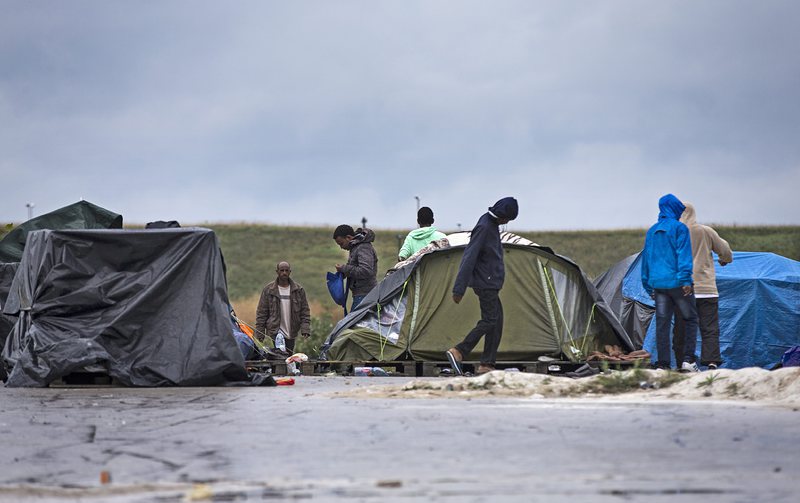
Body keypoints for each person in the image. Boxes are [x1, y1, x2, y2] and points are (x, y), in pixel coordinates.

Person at [446, 197, 519, 376]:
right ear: (502, 215)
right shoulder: (485, 227)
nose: (507, 223)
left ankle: (487, 364)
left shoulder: (491, 225)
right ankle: (459, 351)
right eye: (507, 219)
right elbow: (469, 257)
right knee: (490, 320)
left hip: (490, 282)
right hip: (485, 283)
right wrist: (459, 288)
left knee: (497, 320)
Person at [641, 194, 700, 372]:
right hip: (677, 283)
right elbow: (683, 255)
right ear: (674, 208)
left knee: (662, 324)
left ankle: (663, 364)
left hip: (658, 285)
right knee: (690, 319)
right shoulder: (680, 228)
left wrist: (648, 285)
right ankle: (688, 361)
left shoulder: (652, 231)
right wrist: (685, 280)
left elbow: (647, 259)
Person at [672, 202, 733, 370]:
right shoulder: (705, 231)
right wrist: (724, 259)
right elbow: (725, 250)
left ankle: (683, 363)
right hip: (707, 289)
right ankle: (712, 362)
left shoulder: (674, 232)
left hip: (682, 290)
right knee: (709, 328)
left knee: (681, 330)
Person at [255, 261, 311, 353]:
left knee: (289, 356)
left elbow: (304, 311)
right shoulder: (269, 290)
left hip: (291, 331)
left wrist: (305, 328)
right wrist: (260, 332)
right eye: (281, 270)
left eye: (286, 270)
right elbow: (262, 312)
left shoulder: (298, 290)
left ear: (290, 272)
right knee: (279, 356)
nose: (284, 273)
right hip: (275, 330)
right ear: (277, 272)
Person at [333, 225, 378, 311]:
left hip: (366, 295)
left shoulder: (363, 247)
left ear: (348, 237)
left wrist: (344, 268)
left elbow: (366, 271)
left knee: (354, 324)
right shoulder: (356, 247)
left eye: (341, 243)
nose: (341, 247)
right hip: (362, 295)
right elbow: (355, 268)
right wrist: (343, 273)